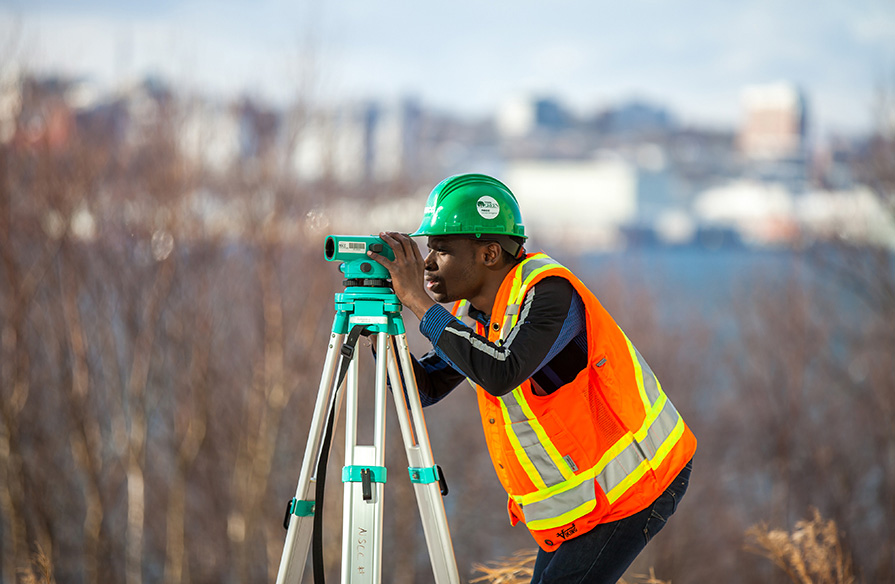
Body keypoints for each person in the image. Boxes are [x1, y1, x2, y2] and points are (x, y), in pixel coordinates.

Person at [368, 173, 696, 584]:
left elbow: (501, 371)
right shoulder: (478, 316)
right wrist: (383, 334)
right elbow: (426, 387)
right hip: (588, 501)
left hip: (640, 484)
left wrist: (416, 300)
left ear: (489, 254)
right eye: (427, 250)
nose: (428, 263)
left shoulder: (549, 293)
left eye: (442, 250)